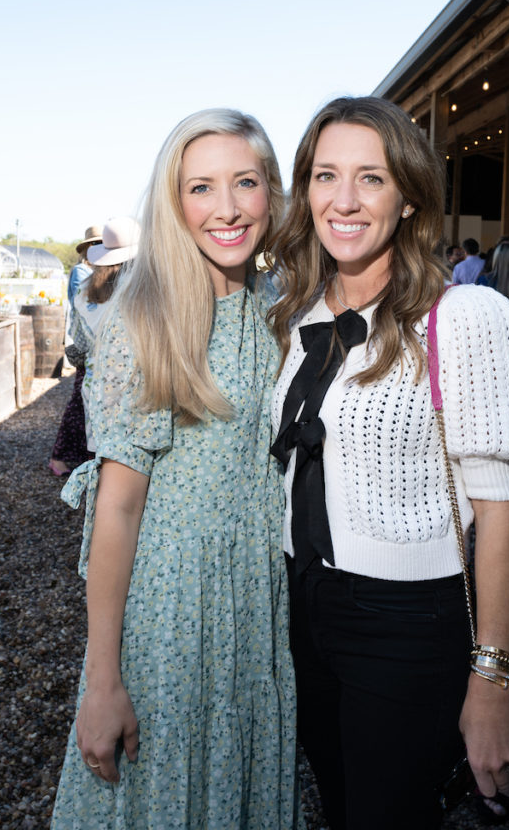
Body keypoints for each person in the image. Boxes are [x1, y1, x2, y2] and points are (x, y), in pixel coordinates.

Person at [268, 96, 509, 829]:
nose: (345, 199)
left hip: (406, 624)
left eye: (372, 178)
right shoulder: (296, 320)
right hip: (301, 611)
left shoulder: (463, 317)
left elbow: (502, 520)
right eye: (326, 176)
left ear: (410, 198)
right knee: (338, 805)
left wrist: (490, 682)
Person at [51, 109, 301, 830]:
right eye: (201, 188)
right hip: (173, 615)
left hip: (259, 604)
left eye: (245, 182)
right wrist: (102, 682)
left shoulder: (278, 309)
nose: (226, 208)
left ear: (271, 194)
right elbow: (117, 509)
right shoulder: (147, 321)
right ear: (173, 202)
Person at [72, 217, 141, 451]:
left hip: (97, 382)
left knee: (103, 455)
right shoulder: (140, 288)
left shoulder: (83, 290)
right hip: (138, 384)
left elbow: (79, 341)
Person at [48, 225, 102, 477]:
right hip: (87, 348)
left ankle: (81, 458)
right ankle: (60, 458)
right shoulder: (83, 273)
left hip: (94, 349)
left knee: (85, 406)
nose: (99, 249)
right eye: (95, 245)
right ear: (88, 249)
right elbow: (84, 309)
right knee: (78, 406)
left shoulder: (101, 273)